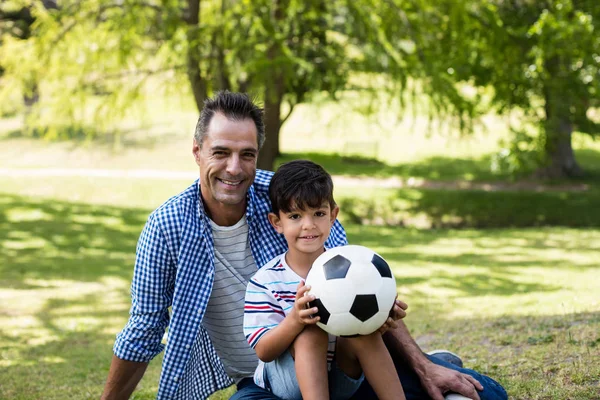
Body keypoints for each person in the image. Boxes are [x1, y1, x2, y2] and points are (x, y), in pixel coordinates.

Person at [101, 90, 507, 400]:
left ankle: (430, 363)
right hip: (265, 382)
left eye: (247, 155)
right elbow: (143, 329)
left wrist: (417, 362)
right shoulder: (167, 226)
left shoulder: (293, 201)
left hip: (341, 367)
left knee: (486, 393)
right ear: (197, 152)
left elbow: (354, 288)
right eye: (220, 153)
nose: (234, 168)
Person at [243, 160, 405, 400]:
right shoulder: (266, 280)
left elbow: (363, 329)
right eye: (295, 216)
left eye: (318, 213)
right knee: (311, 332)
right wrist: (295, 321)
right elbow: (264, 352)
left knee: (363, 333)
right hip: (286, 385)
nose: (309, 225)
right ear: (277, 222)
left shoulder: (356, 268)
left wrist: (379, 318)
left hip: (340, 379)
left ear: (333, 215)